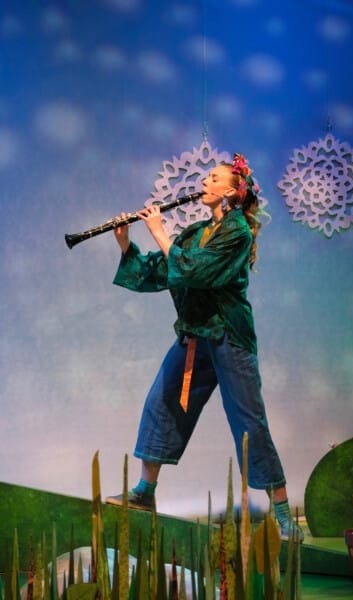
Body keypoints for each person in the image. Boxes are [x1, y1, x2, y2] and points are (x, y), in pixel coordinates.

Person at [106, 153, 303, 542]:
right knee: (162, 402)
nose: (204, 183)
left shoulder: (237, 233)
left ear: (231, 192)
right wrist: (126, 242)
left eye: (214, 178)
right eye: (206, 177)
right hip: (195, 334)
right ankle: (144, 492)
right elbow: (163, 269)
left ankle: (282, 511)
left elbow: (194, 271)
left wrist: (158, 230)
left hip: (228, 334)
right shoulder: (195, 232)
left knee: (249, 420)